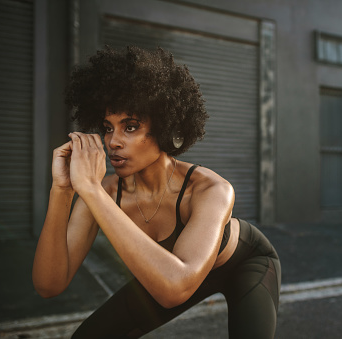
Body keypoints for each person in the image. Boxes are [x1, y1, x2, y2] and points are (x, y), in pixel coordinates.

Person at [32, 46, 281, 339]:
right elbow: (49, 285)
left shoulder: (210, 188)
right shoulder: (106, 191)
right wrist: (62, 189)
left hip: (244, 264)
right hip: (171, 276)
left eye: (131, 127)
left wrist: (91, 190)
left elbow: (175, 288)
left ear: (167, 127)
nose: (112, 142)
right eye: (107, 128)